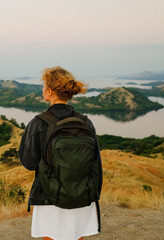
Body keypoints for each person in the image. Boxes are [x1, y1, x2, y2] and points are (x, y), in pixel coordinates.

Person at [19, 66, 103, 240]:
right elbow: (96, 162)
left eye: (43, 87)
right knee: (77, 235)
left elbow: (29, 163)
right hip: (82, 194)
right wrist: (94, 192)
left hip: (48, 196)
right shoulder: (85, 123)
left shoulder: (38, 123)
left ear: (49, 91)